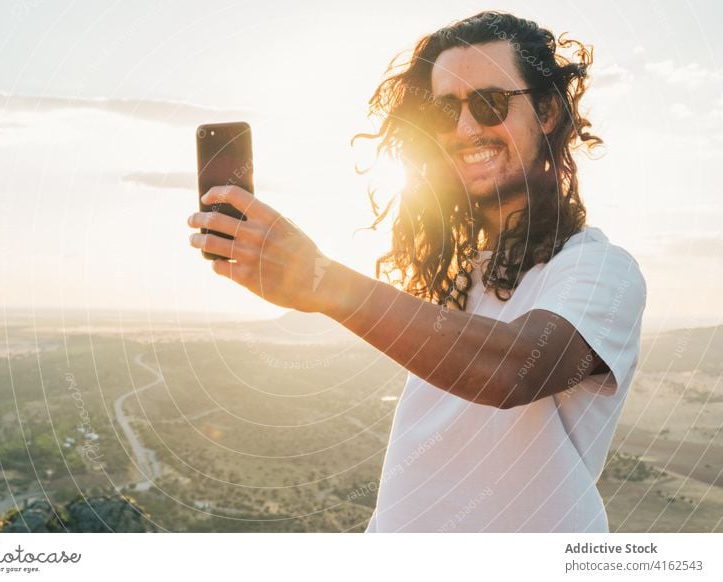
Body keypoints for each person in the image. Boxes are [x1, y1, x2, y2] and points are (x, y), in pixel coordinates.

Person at [187, 10, 647, 532]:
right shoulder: (457, 279)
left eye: (489, 103)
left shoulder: (601, 269)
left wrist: (321, 281)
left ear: (545, 111)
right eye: (444, 111)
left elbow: (514, 370)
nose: (466, 128)